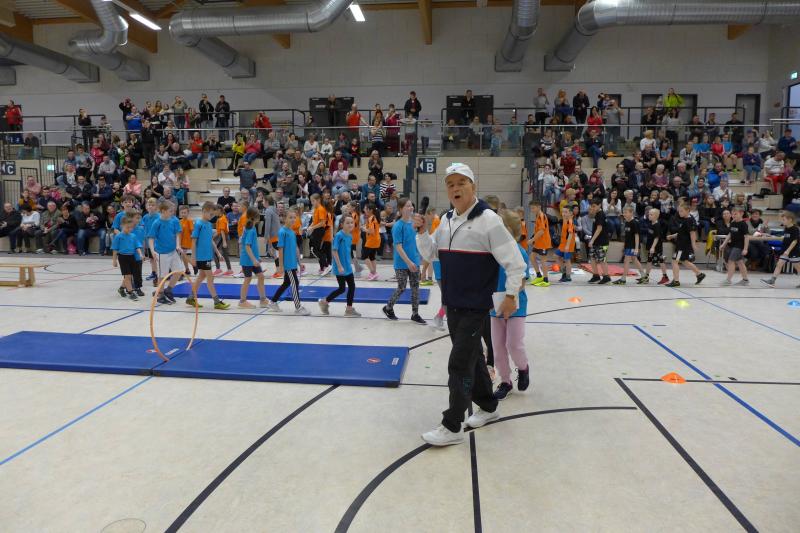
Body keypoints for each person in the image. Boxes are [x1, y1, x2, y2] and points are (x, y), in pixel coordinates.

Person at [414, 163, 526, 446]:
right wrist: (423, 232)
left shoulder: (489, 220)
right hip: (452, 302)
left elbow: (515, 263)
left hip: (476, 306)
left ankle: (452, 425)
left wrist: (511, 296)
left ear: (473, 186)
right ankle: (488, 406)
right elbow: (432, 254)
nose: (455, 188)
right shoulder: (447, 220)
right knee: (473, 359)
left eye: (461, 182)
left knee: (459, 363)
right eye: (450, 184)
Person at [382, 197, 425, 324]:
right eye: (408, 206)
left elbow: (416, 241)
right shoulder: (397, 226)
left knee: (415, 288)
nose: (411, 208)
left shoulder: (414, 224)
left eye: (411, 205)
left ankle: (415, 314)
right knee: (401, 288)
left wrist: (419, 257)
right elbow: (398, 247)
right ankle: (388, 307)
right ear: (401, 209)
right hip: (401, 263)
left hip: (415, 261)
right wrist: (408, 262)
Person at [185, 202, 230, 309]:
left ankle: (190, 298)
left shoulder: (209, 225)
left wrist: (218, 253)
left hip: (207, 256)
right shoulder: (198, 224)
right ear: (204, 211)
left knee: (201, 276)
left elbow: (210, 240)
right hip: (201, 257)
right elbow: (193, 241)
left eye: (213, 214)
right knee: (210, 277)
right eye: (211, 214)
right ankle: (217, 302)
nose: (212, 216)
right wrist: (193, 257)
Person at [265, 208, 310, 315]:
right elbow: (280, 249)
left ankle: (273, 302)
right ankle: (298, 307)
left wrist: (300, 262)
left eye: (294, 217)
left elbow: (296, 248)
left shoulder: (293, 232)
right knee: (295, 283)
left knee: (286, 283)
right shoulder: (282, 232)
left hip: (293, 263)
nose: (293, 219)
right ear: (285, 218)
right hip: (287, 264)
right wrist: (281, 266)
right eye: (290, 217)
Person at [319, 214, 361, 317]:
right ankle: (324, 301)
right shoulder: (339, 235)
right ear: (342, 224)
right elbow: (334, 251)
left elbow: (348, 252)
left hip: (347, 266)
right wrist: (339, 266)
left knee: (352, 286)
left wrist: (355, 264)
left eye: (352, 222)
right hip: (340, 267)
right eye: (347, 223)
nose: (350, 224)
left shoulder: (350, 236)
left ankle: (349, 309)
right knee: (342, 288)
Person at [149, 202, 183, 305]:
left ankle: (168, 290)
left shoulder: (174, 220)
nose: (172, 213)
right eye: (170, 211)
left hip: (173, 251)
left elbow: (178, 233)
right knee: (163, 275)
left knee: (179, 271)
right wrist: (152, 251)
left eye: (173, 211)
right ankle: (160, 295)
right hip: (162, 253)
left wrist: (178, 245)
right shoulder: (157, 223)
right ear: (163, 211)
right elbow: (151, 238)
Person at [665, 202, 706, 287]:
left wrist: (693, 244)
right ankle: (699, 274)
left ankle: (676, 281)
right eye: (679, 211)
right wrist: (672, 236)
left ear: (687, 210)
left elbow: (692, 233)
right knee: (684, 261)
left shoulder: (689, 220)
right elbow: (682, 232)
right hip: (681, 244)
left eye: (681, 211)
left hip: (682, 246)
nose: (679, 213)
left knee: (674, 261)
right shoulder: (685, 220)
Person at [761, 211, 800, 288]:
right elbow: (785, 237)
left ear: (790, 219)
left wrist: (788, 251)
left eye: (783, 219)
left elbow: (795, 241)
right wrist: (770, 235)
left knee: (798, 268)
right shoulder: (786, 228)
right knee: (779, 264)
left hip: (793, 251)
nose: (782, 221)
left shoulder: (795, 229)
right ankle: (772, 281)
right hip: (785, 251)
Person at [111, 215, 144, 301]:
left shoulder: (133, 236)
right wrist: (114, 260)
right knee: (128, 276)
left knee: (129, 275)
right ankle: (130, 292)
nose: (129, 229)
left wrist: (140, 254)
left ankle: (121, 288)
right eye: (127, 227)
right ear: (122, 226)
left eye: (131, 227)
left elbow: (137, 246)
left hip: (132, 257)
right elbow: (115, 249)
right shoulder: (118, 236)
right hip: (123, 258)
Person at [719, 206, 750, 286]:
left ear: (741, 213)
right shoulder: (733, 223)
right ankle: (745, 280)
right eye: (732, 214)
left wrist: (745, 249)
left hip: (739, 246)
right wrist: (724, 244)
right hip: (733, 245)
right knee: (740, 262)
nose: (733, 216)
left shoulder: (743, 224)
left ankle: (728, 280)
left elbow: (746, 237)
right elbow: (730, 234)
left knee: (731, 261)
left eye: (735, 214)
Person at [613, 206, 644, 284]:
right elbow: (627, 236)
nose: (624, 214)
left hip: (632, 246)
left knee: (626, 261)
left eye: (626, 212)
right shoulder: (627, 222)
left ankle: (623, 279)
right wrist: (624, 246)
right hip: (628, 245)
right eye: (623, 212)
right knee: (634, 260)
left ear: (631, 213)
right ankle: (644, 276)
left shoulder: (635, 223)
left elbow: (637, 236)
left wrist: (636, 248)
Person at [640, 208, 670, 285]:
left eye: (651, 214)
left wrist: (653, 247)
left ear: (656, 216)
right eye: (649, 214)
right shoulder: (651, 224)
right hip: (651, 246)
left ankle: (665, 277)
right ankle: (646, 277)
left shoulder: (657, 225)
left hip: (657, 247)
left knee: (661, 261)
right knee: (649, 261)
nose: (649, 215)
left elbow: (657, 238)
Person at [586, 199, 611, 284]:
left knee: (602, 260)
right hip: (596, 241)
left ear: (599, 205)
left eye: (594, 206)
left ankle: (606, 277)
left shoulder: (601, 214)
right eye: (591, 206)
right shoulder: (596, 214)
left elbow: (599, 229)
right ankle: (596, 275)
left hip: (602, 242)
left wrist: (592, 240)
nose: (592, 208)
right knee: (592, 258)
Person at [529, 202, 552, 286]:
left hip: (544, 242)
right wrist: (534, 240)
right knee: (532, 257)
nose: (532, 210)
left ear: (539, 207)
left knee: (543, 261)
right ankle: (539, 275)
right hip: (538, 242)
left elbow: (542, 231)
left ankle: (546, 280)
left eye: (533, 208)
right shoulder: (537, 216)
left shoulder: (542, 216)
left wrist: (532, 239)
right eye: (531, 208)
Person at [555, 206, 575, 282]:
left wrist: (567, 246)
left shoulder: (570, 222)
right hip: (562, 244)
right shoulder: (565, 220)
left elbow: (570, 234)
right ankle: (564, 272)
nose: (563, 214)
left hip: (568, 245)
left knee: (567, 260)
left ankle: (568, 276)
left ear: (570, 213)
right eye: (563, 212)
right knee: (556, 256)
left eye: (566, 212)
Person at [362, 202, 380, 281]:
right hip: (376, 240)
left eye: (365, 208)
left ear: (370, 210)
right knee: (372, 257)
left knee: (365, 256)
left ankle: (373, 273)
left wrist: (364, 229)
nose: (364, 210)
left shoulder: (371, 218)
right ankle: (373, 273)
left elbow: (371, 231)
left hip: (372, 240)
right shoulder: (373, 217)